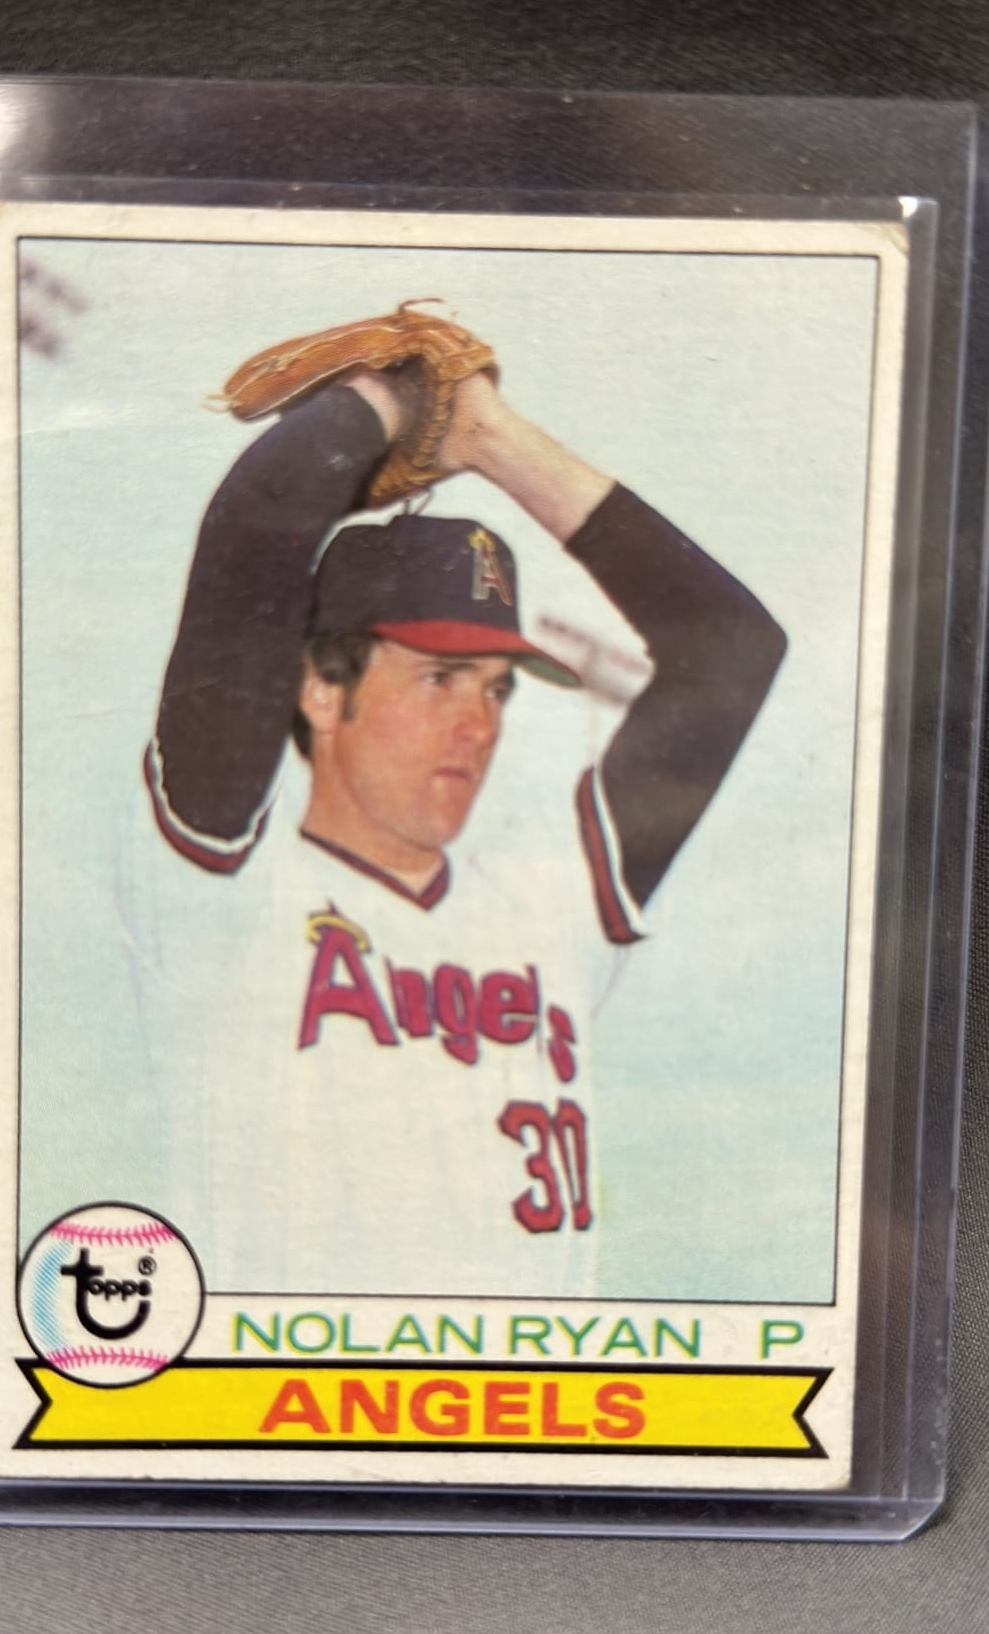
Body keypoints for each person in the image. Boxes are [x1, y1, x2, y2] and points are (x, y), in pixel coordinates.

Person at [142, 360, 786, 1298]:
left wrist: (490, 435)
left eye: (494, 687)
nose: (477, 724)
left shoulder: (550, 897)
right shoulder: (221, 882)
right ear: (321, 687)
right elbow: (257, 525)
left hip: (530, 1389)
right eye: (439, 679)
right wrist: (391, 397)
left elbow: (733, 650)